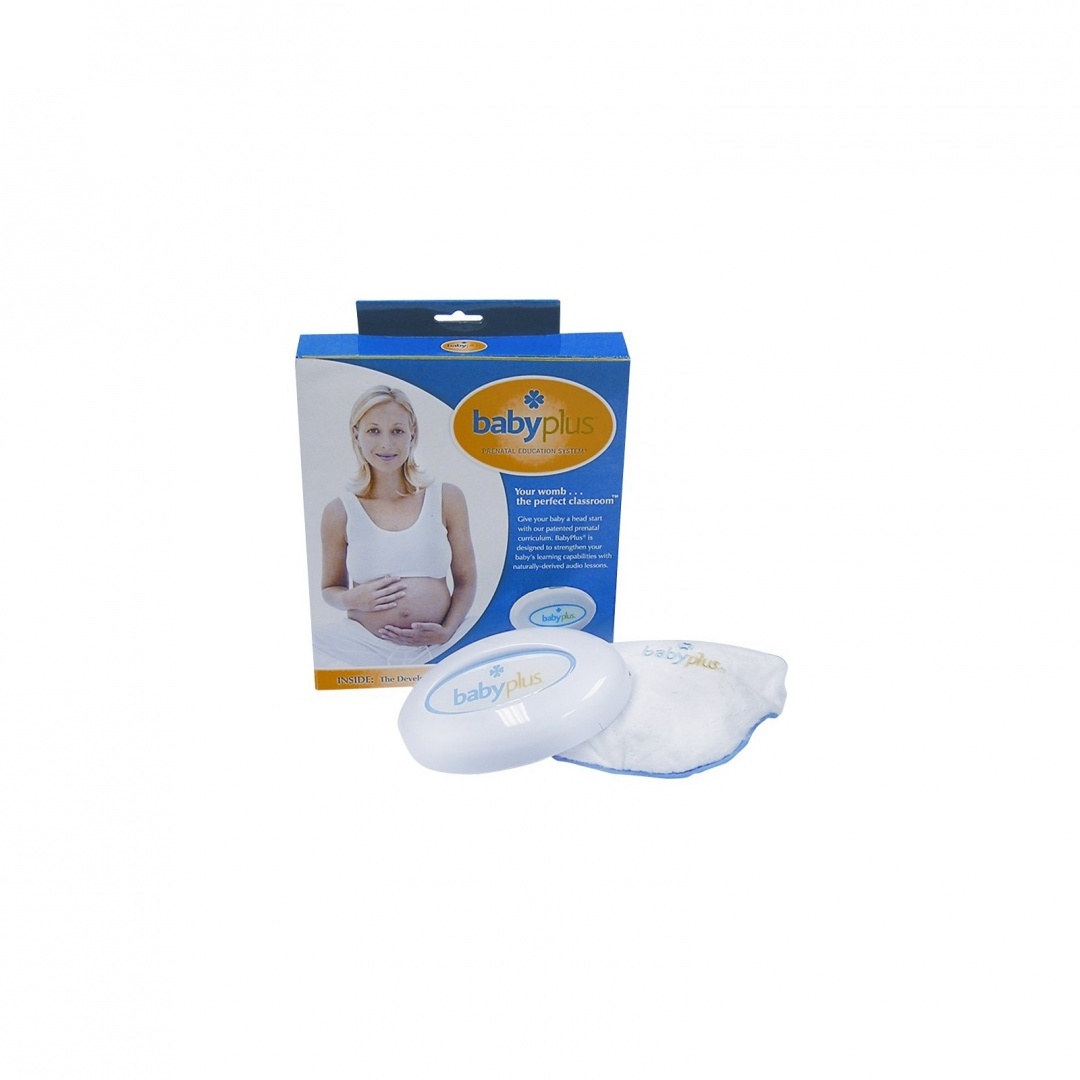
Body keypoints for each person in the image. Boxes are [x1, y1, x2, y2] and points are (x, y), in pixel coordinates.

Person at [314, 385, 477, 667]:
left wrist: (447, 631)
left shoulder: (446, 497)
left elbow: (466, 581)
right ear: (356, 434)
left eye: (397, 431)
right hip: (363, 645)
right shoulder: (339, 511)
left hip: (440, 643)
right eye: (373, 431)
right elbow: (330, 588)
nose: (386, 444)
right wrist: (352, 598)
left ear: (413, 433)